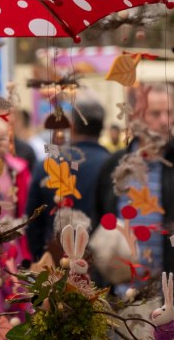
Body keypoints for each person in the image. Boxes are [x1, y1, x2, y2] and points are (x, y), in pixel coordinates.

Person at [97, 84, 174, 282]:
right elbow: (99, 219)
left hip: (167, 296)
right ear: (136, 118)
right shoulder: (115, 165)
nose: (165, 121)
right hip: (124, 295)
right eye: (155, 114)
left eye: (170, 112)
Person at [26, 98, 109, 261]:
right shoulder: (112, 166)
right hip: (100, 264)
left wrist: (42, 259)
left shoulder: (47, 165)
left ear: (71, 126)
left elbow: (32, 221)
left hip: (54, 263)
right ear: (102, 128)